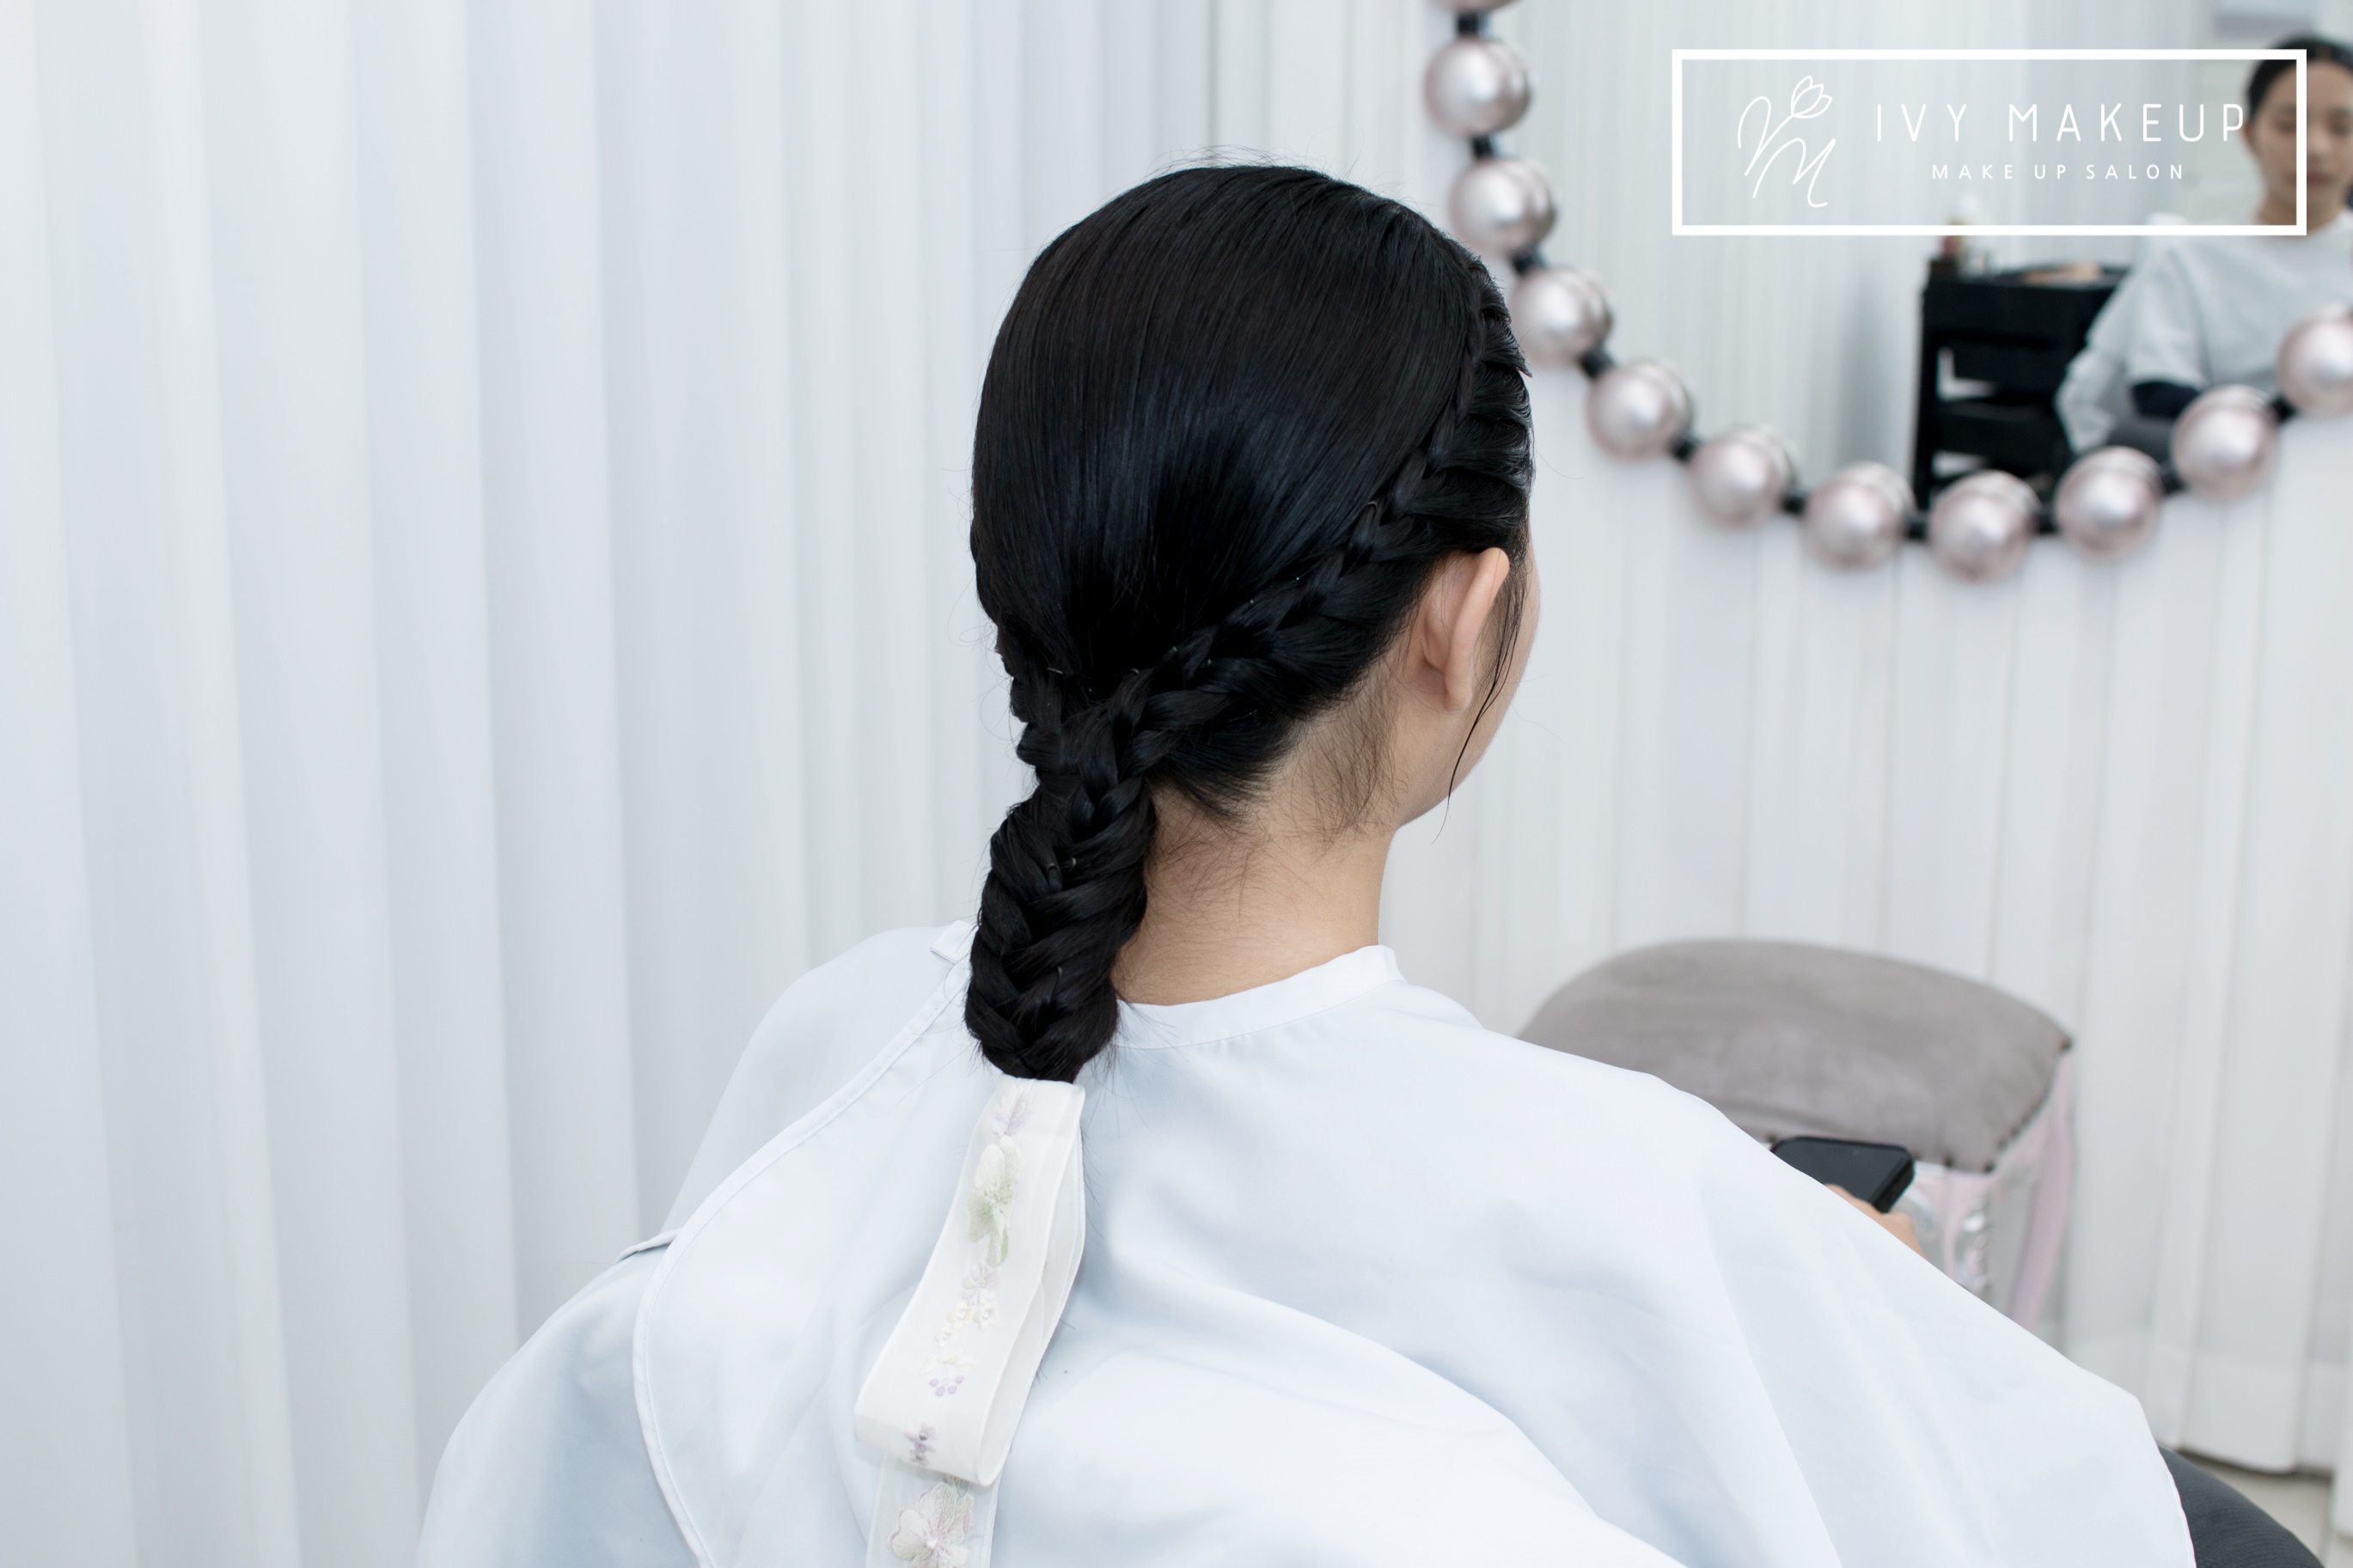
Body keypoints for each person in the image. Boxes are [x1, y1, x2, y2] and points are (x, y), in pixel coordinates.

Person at [419, 166, 2207, 1566]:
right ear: (1460, 619)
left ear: (1017, 578)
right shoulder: (1649, 1203)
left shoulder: (839, 1049)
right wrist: (1832, 1289)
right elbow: (2072, 1512)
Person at [2058, 36, 2353, 454]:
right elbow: (2153, 394)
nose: (2316, 149)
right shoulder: (2188, 260)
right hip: (2222, 475)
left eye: (2341, 128)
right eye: (2289, 126)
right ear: (2249, 134)